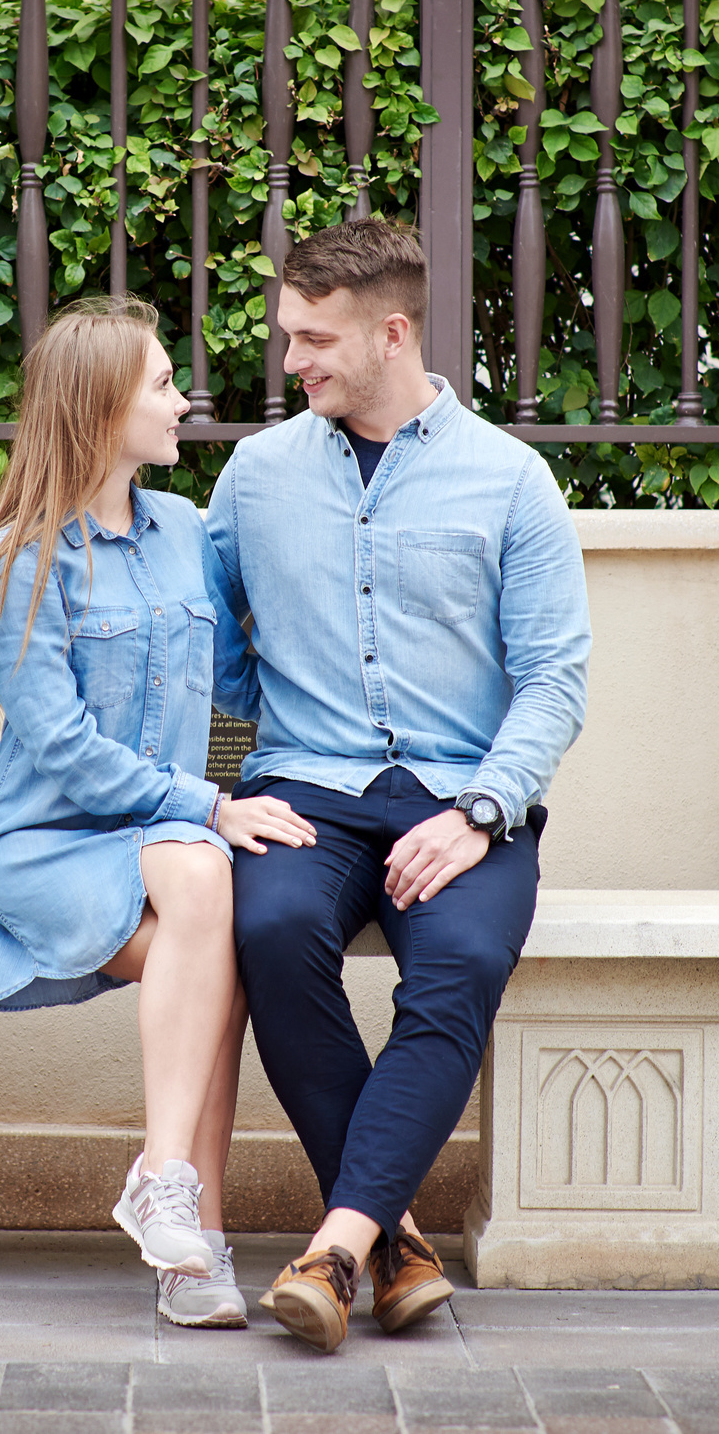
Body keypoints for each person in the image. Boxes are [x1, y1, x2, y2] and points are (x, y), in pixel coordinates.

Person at [207, 217, 592, 1353]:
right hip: (306, 787)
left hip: (462, 799)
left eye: (313, 340)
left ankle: (337, 1247)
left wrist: (481, 812)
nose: (292, 363)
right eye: (287, 337)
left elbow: (555, 675)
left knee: (461, 964)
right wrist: (221, 794)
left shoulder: (509, 480)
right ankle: (395, 1239)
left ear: (391, 332)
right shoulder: (257, 473)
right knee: (271, 931)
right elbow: (214, 647)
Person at [0, 295, 319, 1331]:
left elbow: (240, 682)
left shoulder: (184, 530)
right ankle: (189, 1234)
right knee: (213, 920)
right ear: (99, 407)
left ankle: (171, 1199)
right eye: (162, 384)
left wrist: (284, 768)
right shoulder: (18, 559)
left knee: (205, 886)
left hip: (165, 839)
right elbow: (63, 750)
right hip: (54, 841)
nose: (183, 400)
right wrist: (209, 803)